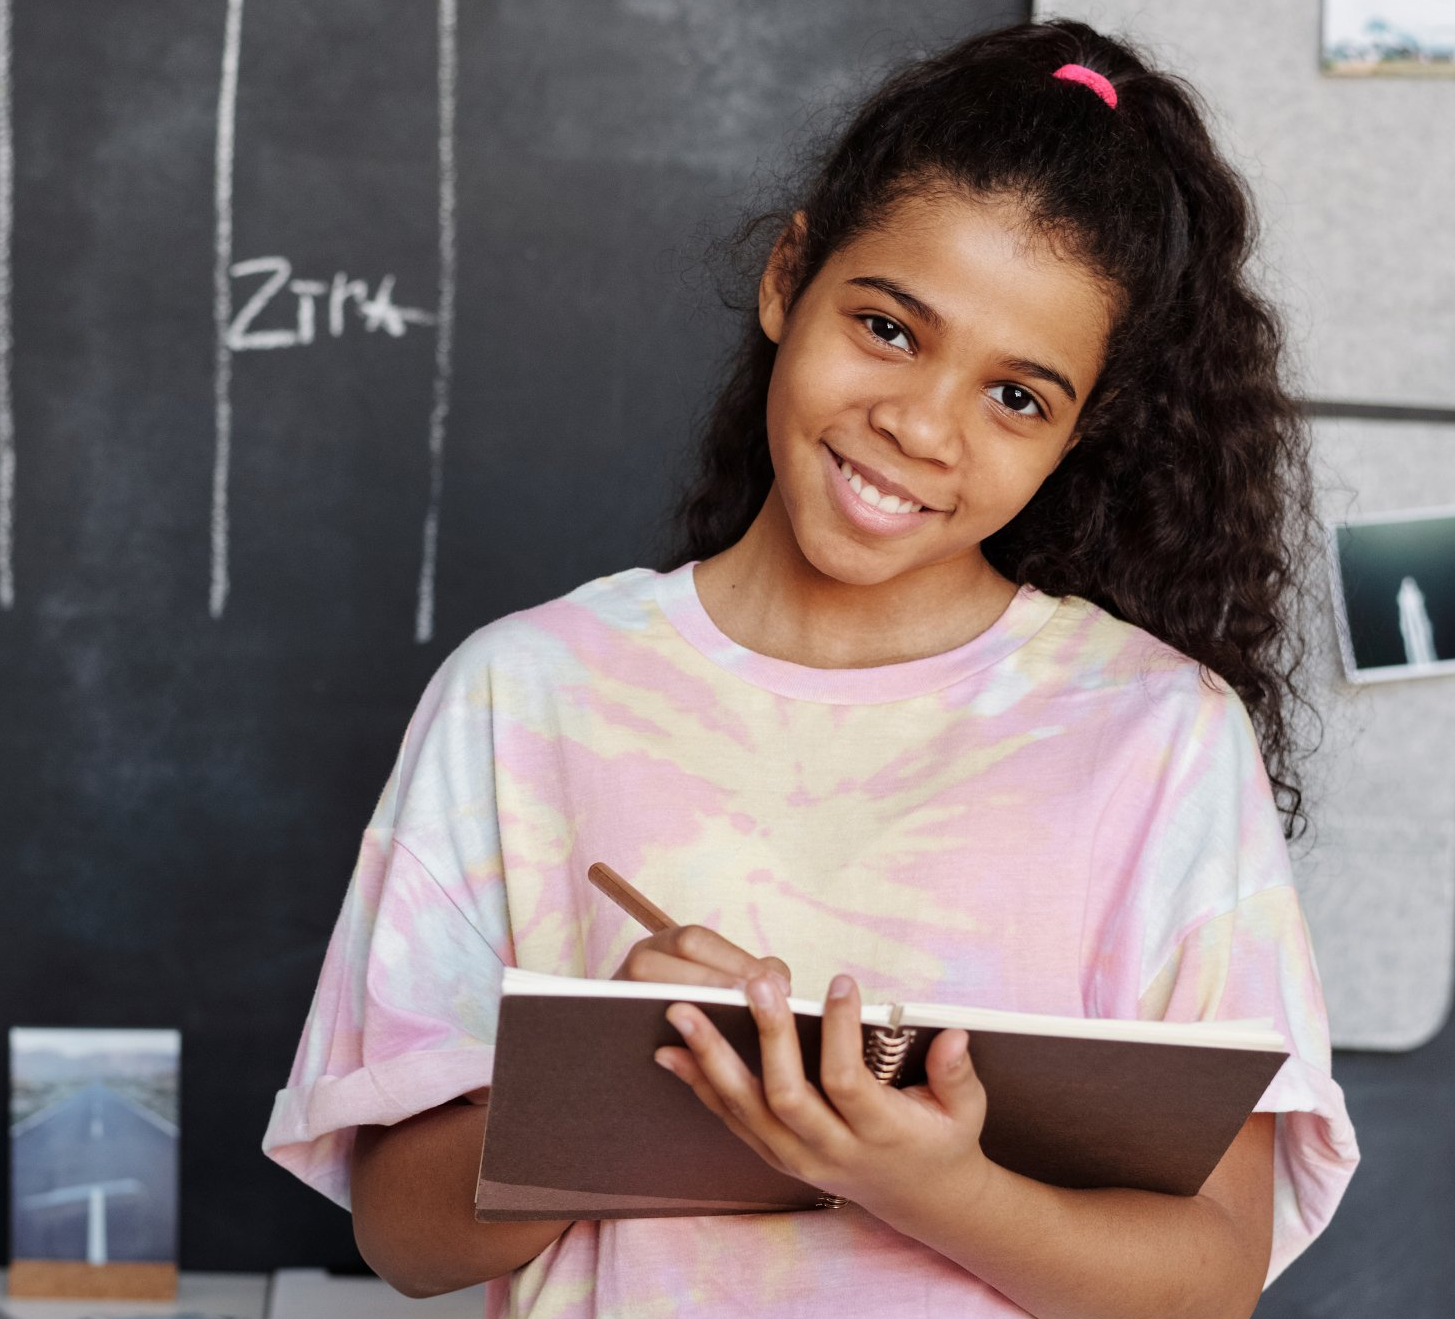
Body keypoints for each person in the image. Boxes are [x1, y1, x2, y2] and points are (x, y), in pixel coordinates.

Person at [262, 18, 1358, 1318]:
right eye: (890, 328)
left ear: (1080, 432)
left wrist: (929, 1183)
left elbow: (1210, 1278)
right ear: (790, 277)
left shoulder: (1160, 736)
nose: (920, 424)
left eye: (1018, 397)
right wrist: (608, 1086)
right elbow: (402, 1233)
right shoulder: (527, 694)